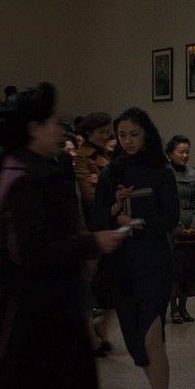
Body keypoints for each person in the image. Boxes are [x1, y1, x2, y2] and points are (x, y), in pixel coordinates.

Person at [0, 82, 123, 389]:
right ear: (34, 129)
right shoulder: (25, 177)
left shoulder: (25, 167)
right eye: (53, 121)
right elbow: (31, 251)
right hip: (38, 325)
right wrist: (92, 243)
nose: (59, 128)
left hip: (42, 322)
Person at [90, 106, 179, 389]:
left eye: (134, 134)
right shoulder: (111, 172)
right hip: (122, 266)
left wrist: (135, 223)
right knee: (134, 339)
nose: (127, 141)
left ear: (147, 135)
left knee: (151, 334)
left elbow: (170, 218)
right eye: (122, 135)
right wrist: (115, 206)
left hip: (154, 262)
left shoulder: (161, 170)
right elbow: (96, 217)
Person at [74, 111, 116, 357]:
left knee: (112, 283)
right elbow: (88, 195)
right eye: (101, 132)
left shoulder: (108, 155)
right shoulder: (81, 156)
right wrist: (105, 185)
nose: (105, 136)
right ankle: (90, 335)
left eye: (107, 131)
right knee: (89, 284)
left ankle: (101, 330)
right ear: (89, 133)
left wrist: (100, 180)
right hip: (91, 227)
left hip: (109, 224)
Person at [166, 135, 195, 324]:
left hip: (192, 228)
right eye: (181, 152)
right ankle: (173, 309)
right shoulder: (165, 173)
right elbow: (165, 203)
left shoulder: (194, 173)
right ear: (170, 153)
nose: (185, 156)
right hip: (172, 229)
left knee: (189, 269)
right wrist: (177, 228)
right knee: (173, 270)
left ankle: (183, 307)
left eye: (187, 152)